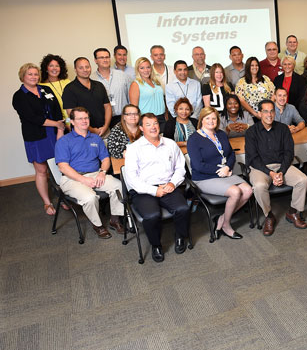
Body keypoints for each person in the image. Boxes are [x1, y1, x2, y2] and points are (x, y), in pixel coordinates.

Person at [124, 113, 190, 262]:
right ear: (141, 128)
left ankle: (180, 236)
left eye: (155, 123)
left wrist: (173, 183)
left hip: (168, 185)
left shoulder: (170, 144)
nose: (153, 127)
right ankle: (156, 245)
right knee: (152, 216)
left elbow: (180, 167)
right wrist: (154, 190)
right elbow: (132, 178)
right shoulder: (134, 148)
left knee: (183, 209)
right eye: (148, 124)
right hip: (144, 189)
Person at [54, 107, 124, 239]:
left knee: (118, 186)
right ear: (72, 122)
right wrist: (83, 179)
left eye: (86, 118)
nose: (84, 121)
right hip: (72, 179)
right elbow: (63, 167)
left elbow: (105, 159)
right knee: (90, 198)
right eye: (80, 118)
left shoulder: (96, 139)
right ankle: (98, 225)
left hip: (95, 174)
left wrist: (102, 172)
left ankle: (115, 220)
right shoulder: (64, 141)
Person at [187, 107, 252, 240]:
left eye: (214, 118)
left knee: (248, 190)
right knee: (236, 192)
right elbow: (198, 165)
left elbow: (231, 154)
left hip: (224, 173)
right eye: (207, 118)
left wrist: (227, 167)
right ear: (202, 120)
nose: (211, 121)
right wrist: (221, 171)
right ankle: (226, 225)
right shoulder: (194, 139)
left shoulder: (221, 134)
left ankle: (221, 219)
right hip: (204, 178)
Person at [246, 99, 307, 235]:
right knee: (259, 186)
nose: (269, 114)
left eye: (272, 111)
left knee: (302, 180)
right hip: (260, 168)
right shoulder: (251, 132)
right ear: (259, 113)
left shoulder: (283, 129)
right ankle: (269, 216)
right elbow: (253, 158)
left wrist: (280, 172)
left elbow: (289, 153)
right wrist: (271, 174)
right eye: (265, 111)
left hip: (281, 166)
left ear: (275, 112)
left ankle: (292, 212)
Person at [12, 62, 65, 215]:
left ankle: (64, 198)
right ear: (23, 77)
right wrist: (56, 124)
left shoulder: (46, 89)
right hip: (36, 135)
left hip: (54, 132)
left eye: (36, 74)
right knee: (42, 170)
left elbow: (57, 110)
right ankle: (47, 203)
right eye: (30, 74)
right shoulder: (19, 96)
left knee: (60, 167)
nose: (34, 77)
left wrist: (59, 130)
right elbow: (32, 118)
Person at [62, 57, 112, 136]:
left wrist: (105, 127)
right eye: (81, 68)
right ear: (75, 70)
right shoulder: (69, 89)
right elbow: (71, 114)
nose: (85, 70)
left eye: (87, 67)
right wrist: (92, 130)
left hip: (104, 131)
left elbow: (107, 107)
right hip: (83, 134)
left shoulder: (99, 85)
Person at [91, 48, 131, 127]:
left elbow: (130, 97)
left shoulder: (122, 75)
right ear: (95, 60)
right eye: (102, 58)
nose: (105, 60)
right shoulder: (92, 79)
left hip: (123, 118)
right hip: (103, 121)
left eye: (107, 57)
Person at [128, 57, 165, 126]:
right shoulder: (135, 84)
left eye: (148, 67)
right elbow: (134, 108)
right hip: (147, 119)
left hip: (161, 117)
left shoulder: (156, 82)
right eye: (142, 68)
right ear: (137, 70)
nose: (146, 70)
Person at [39, 54, 70, 123]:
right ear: (46, 68)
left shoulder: (67, 82)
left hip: (72, 119)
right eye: (51, 66)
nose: (54, 68)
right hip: (56, 122)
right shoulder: (41, 86)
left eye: (57, 66)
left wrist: (69, 121)